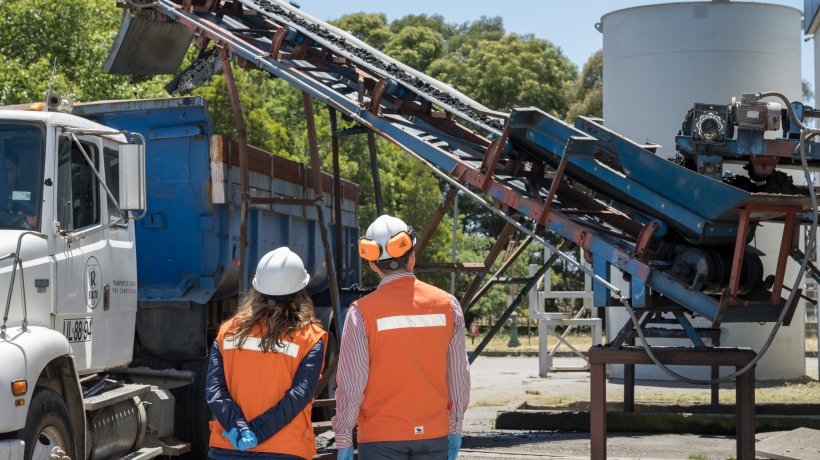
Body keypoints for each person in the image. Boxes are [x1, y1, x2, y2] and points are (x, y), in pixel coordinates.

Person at [332, 215, 471, 460]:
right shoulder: (448, 305)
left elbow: (351, 386)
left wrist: (343, 436)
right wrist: (455, 426)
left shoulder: (361, 313)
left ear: (373, 264)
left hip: (380, 439)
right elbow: (458, 376)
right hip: (433, 436)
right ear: (413, 257)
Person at [206, 247, 327, 459]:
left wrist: (240, 428)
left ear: (257, 289)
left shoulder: (228, 331)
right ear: (301, 292)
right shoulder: (310, 337)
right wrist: (257, 431)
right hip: (286, 449)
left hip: (229, 446)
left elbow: (214, 390)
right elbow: (298, 396)